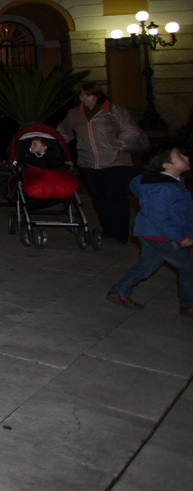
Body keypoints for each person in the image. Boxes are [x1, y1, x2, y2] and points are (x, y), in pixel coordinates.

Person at [105, 144, 193, 318]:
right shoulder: (162, 188)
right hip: (162, 236)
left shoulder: (173, 183)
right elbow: (159, 217)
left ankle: (119, 291)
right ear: (167, 166)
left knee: (146, 266)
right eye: (180, 156)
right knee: (189, 269)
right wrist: (180, 236)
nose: (187, 157)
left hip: (154, 234)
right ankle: (188, 305)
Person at [57, 81, 149, 244]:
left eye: (88, 95)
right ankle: (108, 228)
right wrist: (55, 146)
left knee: (115, 196)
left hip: (116, 162)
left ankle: (121, 232)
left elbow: (130, 130)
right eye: (81, 95)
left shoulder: (113, 110)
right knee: (99, 197)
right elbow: (63, 132)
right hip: (89, 162)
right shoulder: (75, 113)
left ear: (97, 95)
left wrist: (118, 145)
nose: (83, 98)